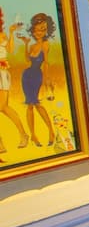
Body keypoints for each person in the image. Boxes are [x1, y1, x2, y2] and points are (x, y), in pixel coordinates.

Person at [17, 13, 56, 148]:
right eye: (38, 29)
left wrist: (47, 80)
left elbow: (46, 63)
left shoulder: (45, 44)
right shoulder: (33, 46)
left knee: (37, 104)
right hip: (26, 76)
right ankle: (33, 135)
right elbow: (27, 61)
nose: (40, 32)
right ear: (33, 30)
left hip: (37, 76)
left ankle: (51, 131)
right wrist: (26, 45)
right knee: (30, 105)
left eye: (43, 29)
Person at [0, 8, 29, 159]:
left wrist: (11, 33)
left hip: (1, 73)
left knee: (3, 107)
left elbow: (10, 50)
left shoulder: (3, 35)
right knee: (3, 107)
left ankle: (22, 135)